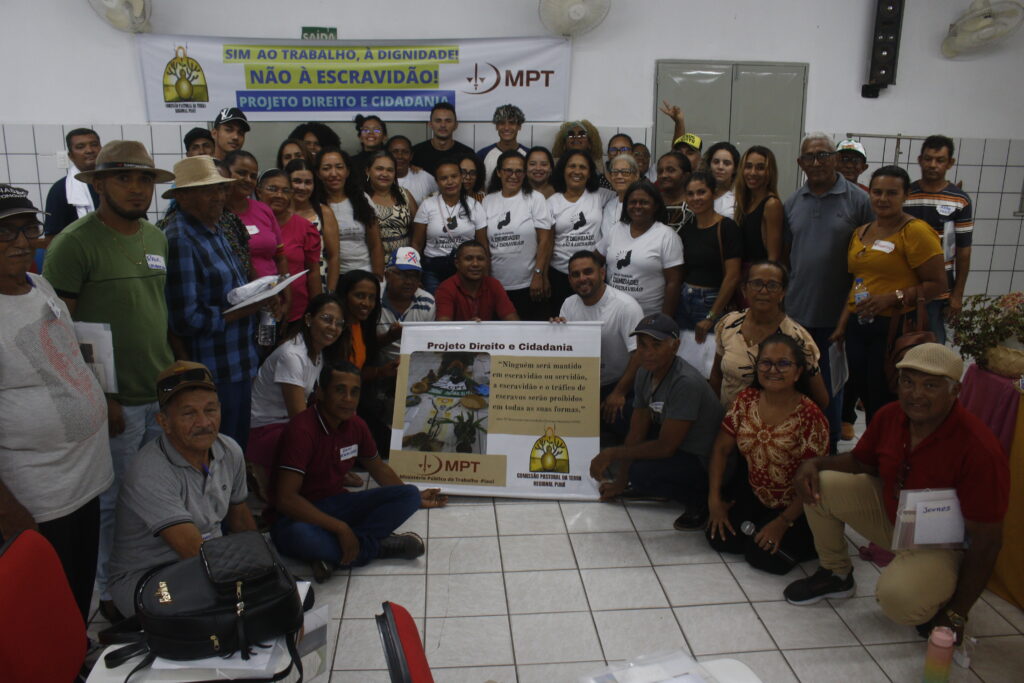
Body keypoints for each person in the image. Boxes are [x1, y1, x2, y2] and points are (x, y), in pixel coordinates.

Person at [783, 344, 1008, 645]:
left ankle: (942, 592)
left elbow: (987, 541)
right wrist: (814, 462)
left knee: (898, 599)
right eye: (908, 382)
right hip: (897, 515)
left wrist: (957, 613)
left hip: (942, 543)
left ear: (956, 391)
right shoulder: (891, 415)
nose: (915, 394)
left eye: (930, 385)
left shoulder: (979, 449)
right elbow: (862, 462)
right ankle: (836, 574)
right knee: (819, 483)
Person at [42, 141, 176, 622]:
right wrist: (102, 398)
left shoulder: (156, 237)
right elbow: (57, 335)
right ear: (98, 183)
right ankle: (107, 594)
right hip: (114, 403)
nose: (137, 189)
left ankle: (149, 578)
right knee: (111, 503)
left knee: (156, 496)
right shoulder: (73, 244)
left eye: (143, 180)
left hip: (160, 394)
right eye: (124, 178)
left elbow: (158, 313)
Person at [0, 184, 113, 622]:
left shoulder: (40, 285)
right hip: (35, 494)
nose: (22, 241)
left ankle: (77, 653)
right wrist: (7, 508)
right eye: (6, 233)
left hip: (83, 477)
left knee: (79, 583)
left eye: (28, 228)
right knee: (41, 602)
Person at [268, 360, 448, 581]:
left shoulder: (356, 425)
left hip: (338, 505)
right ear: (321, 393)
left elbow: (378, 468)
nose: (348, 399)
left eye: (355, 392)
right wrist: (341, 528)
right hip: (298, 517)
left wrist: (415, 499)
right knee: (302, 537)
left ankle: (335, 554)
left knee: (408, 494)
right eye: (340, 390)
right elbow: (286, 500)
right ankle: (377, 547)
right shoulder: (302, 430)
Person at [106, 361, 258, 617]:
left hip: (204, 562)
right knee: (231, 612)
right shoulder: (149, 471)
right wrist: (247, 591)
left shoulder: (229, 450)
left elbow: (240, 518)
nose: (203, 422)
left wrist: (264, 568)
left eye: (210, 410)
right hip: (151, 578)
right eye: (188, 413)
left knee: (278, 593)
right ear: (164, 422)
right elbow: (190, 548)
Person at [163, 156, 267, 449]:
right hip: (214, 370)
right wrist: (237, 313)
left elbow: (230, 287)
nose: (220, 196)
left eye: (221, 189)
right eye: (209, 190)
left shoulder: (216, 226)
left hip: (240, 360)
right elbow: (185, 319)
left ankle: (236, 494)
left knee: (235, 448)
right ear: (183, 196)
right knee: (216, 450)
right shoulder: (179, 239)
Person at [831, 165, 945, 424]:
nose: (883, 199)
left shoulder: (915, 231)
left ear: (905, 196)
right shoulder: (860, 233)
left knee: (884, 398)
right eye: (877, 192)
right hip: (859, 326)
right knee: (860, 391)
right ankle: (871, 453)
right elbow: (857, 282)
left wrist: (891, 297)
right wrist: (841, 325)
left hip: (894, 327)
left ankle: (887, 456)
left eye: (892, 193)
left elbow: (937, 283)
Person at [707, 334, 829, 574]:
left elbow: (814, 484)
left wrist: (782, 523)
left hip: (799, 505)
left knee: (763, 557)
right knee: (720, 537)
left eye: (783, 363)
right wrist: (714, 500)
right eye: (766, 363)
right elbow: (721, 450)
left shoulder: (810, 416)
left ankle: (809, 539)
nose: (773, 370)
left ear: (797, 372)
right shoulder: (746, 400)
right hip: (756, 493)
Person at [589, 314, 723, 530]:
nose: (647, 352)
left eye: (657, 345)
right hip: (680, 444)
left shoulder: (685, 383)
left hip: (704, 459)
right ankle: (655, 486)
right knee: (622, 421)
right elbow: (637, 429)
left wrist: (612, 453)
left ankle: (700, 500)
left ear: (675, 346)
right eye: (642, 345)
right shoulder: (644, 372)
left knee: (642, 473)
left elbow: (665, 448)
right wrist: (621, 481)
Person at [784, 133, 873, 452]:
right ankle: (798, 447)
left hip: (838, 317)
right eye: (809, 157)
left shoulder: (859, 201)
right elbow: (786, 258)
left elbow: (870, 262)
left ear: (835, 158)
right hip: (796, 314)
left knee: (832, 388)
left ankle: (829, 446)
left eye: (823, 155)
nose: (817, 162)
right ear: (800, 163)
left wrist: (853, 312)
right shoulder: (793, 203)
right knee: (796, 384)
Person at [246, 294, 347, 497]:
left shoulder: (317, 353)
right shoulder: (292, 355)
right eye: (327, 319)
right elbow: (299, 418)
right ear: (308, 319)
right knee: (314, 437)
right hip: (264, 431)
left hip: (283, 425)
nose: (333, 327)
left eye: (339, 323)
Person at [711, 261, 827, 410]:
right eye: (756, 283)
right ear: (744, 289)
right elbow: (716, 376)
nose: (763, 291)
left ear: (783, 292)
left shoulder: (797, 338)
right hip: (728, 421)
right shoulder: (728, 324)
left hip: (774, 426)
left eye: (772, 285)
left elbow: (821, 399)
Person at [558, 250, 644, 441]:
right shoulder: (568, 304)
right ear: (570, 280)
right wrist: (555, 333)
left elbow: (639, 355)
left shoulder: (626, 306)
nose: (582, 278)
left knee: (622, 420)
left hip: (620, 383)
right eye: (575, 274)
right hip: (583, 384)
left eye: (588, 272)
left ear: (602, 274)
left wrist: (618, 393)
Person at [904, 135, 974, 345]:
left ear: (950, 163)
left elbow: (963, 251)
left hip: (939, 293)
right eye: (928, 159)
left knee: (933, 349)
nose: (932, 165)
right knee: (900, 347)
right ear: (919, 159)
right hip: (905, 288)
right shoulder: (906, 194)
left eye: (939, 160)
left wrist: (957, 295)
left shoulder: (960, 200)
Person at [482, 150, 552, 320]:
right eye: (508, 171)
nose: (513, 176)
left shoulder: (536, 199)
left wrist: (538, 274)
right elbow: (483, 243)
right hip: (496, 285)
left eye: (519, 171)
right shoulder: (488, 201)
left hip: (528, 284)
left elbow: (545, 240)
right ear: (499, 172)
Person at [597, 180, 683, 316]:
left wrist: (664, 321)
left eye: (644, 202)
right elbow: (595, 260)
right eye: (632, 202)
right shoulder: (616, 229)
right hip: (613, 313)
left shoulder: (667, 236)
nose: (637, 206)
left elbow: (673, 283)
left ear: (655, 206)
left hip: (648, 318)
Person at [677, 171, 742, 340]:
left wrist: (711, 316)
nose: (695, 198)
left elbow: (733, 276)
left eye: (701, 192)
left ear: (713, 193)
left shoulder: (727, 228)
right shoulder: (686, 228)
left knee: (708, 360)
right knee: (686, 357)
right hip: (684, 302)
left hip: (712, 303)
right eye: (690, 194)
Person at [255, 169, 323, 324]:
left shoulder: (305, 228)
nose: (279, 195)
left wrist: (317, 311)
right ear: (259, 192)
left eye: (285, 191)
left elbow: (313, 273)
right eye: (272, 189)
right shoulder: (247, 224)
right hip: (255, 310)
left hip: (297, 313)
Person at [546, 150, 609, 313]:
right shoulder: (552, 202)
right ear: (563, 170)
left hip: (592, 273)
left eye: (583, 167)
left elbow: (625, 191)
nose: (577, 171)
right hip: (560, 274)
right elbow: (547, 242)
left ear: (589, 173)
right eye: (572, 166)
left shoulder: (600, 196)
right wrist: (542, 274)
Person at [411, 159, 487, 293]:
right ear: (437, 182)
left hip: (465, 267)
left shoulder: (474, 205)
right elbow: (416, 244)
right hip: (433, 269)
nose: (450, 182)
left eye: (454, 176)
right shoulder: (428, 205)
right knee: (436, 308)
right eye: (444, 178)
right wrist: (414, 273)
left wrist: (486, 275)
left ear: (461, 178)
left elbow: (482, 245)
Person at [316, 147, 384, 280]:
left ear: (347, 171)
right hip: (328, 276)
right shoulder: (315, 205)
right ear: (318, 173)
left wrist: (378, 278)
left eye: (339, 167)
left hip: (364, 273)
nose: (334, 173)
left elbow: (375, 244)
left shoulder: (362, 199)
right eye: (326, 168)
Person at [224, 150, 290, 287]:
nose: (248, 179)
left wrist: (286, 294)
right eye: (241, 173)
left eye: (253, 176)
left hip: (272, 292)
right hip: (237, 295)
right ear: (226, 173)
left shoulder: (263, 210)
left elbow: (280, 258)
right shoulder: (218, 213)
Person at [286, 158, 340, 292]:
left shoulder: (323, 212)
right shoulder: (277, 213)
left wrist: (330, 293)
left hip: (320, 284)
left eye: (308, 182)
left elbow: (334, 257)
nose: (302, 187)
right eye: (297, 181)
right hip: (287, 283)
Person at [435, 240, 519, 322]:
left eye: (480, 259)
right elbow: (443, 327)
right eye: (468, 259)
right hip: (457, 336)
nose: (475, 264)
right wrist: (468, 328)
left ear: (487, 262)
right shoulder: (446, 288)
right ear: (457, 263)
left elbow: (513, 321)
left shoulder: (494, 284)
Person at [377, 247, 436, 364]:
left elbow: (427, 344)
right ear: (387, 275)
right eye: (403, 275)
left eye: (414, 276)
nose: (409, 281)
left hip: (415, 362)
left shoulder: (427, 302)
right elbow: (366, 345)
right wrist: (389, 337)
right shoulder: (373, 297)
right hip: (379, 362)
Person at [43, 128, 101, 240]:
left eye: (94, 144)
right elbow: (52, 236)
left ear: (102, 150)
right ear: (71, 156)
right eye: (80, 147)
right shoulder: (60, 189)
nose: (89, 150)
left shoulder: (116, 183)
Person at [733, 146, 785, 266]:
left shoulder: (771, 205)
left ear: (770, 172)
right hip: (743, 277)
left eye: (760, 168)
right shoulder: (745, 202)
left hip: (759, 278)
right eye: (748, 166)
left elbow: (773, 257)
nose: (753, 173)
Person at [366, 150, 418, 255]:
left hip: (404, 262)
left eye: (390, 170)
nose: (385, 174)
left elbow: (418, 230)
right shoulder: (361, 197)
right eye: (379, 169)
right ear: (368, 171)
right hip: (370, 261)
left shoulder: (404, 194)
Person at [411, 102, 474, 176]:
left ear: (456, 125)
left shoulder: (467, 154)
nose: (443, 125)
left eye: (448, 121)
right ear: (430, 124)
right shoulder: (415, 153)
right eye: (438, 121)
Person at [477, 104, 529, 182]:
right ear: (496, 126)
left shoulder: (528, 155)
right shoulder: (482, 155)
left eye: (511, 123)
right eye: (502, 123)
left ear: (519, 126)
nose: (506, 128)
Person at [388, 135, 438, 205]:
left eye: (405, 152)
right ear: (387, 154)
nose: (400, 156)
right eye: (395, 151)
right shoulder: (380, 179)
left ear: (411, 156)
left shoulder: (424, 177)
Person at [655, 151, 693, 232]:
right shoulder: (651, 202)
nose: (663, 175)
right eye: (660, 171)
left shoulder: (696, 205)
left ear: (686, 176)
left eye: (671, 170)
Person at [601, 152, 641, 229]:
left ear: (636, 176)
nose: (619, 176)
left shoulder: (642, 204)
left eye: (625, 172)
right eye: (615, 172)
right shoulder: (609, 206)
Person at [703, 141, 740, 218]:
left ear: (735, 168)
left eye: (726, 163)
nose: (720, 167)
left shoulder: (739, 199)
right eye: (716, 162)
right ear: (709, 165)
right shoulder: (698, 194)